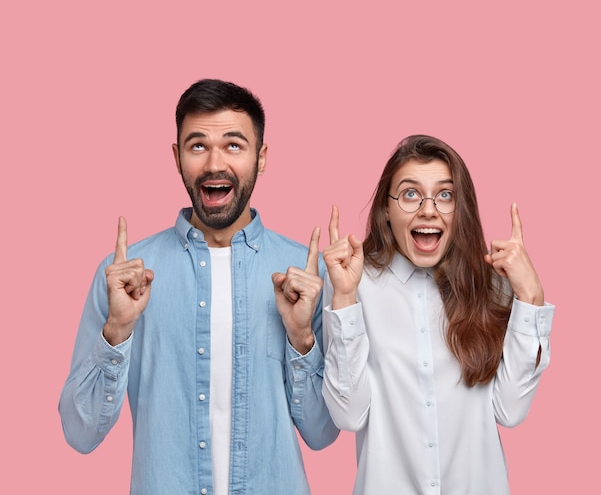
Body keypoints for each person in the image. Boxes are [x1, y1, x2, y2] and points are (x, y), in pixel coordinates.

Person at [59, 79, 339, 495]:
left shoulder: (305, 276)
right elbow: (80, 433)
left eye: (233, 145)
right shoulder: (126, 277)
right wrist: (116, 332)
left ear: (261, 158)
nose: (214, 164)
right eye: (197, 146)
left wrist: (301, 339)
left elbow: (322, 434)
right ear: (176, 157)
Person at [321, 134, 555, 495]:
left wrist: (531, 298)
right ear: (386, 208)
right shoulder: (354, 284)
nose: (428, 209)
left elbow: (511, 410)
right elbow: (349, 415)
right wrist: (346, 298)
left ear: (460, 209)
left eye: (445, 194)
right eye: (410, 194)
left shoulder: (491, 285)